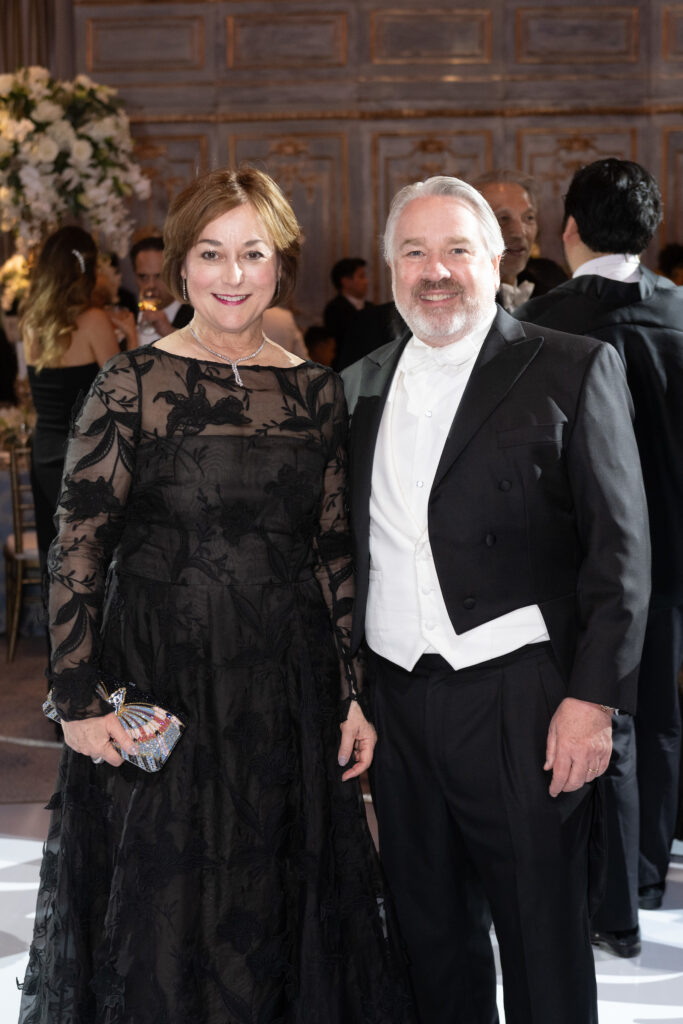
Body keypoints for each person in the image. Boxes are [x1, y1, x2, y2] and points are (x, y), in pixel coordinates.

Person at [18, 166, 415, 1024]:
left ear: (281, 266)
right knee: (164, 892)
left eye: (252, 254)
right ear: (178, 267)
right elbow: (77, 550)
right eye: (211, 253)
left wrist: (352, 694)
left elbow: (333, 550)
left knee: (275, 887)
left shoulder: (314, 391)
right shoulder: (129, 384)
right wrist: (79, 701)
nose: (232, 276)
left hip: (286, 681)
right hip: (159, 675)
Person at [341, 175, 650, 1024]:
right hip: (398, 702)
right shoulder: (356, 384)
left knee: (541, 938)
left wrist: (591, 703)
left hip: (520, 699)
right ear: (390, 265)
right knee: (428, 936)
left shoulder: (571, 365)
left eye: (455, 250)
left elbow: (619, 557)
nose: (433, 271)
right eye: (413, 252)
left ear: (495, 259)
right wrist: (352, 692)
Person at [516, 158, 683, 954]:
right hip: (673, 561)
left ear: (568, 228)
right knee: (657, 719)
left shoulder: (536, 322)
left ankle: (596, 892)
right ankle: (647, 875)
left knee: (584, 718)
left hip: (567, 563)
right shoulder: (680, 315)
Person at [20, 226, 121, 576]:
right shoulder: (94, 321)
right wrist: (131, 337)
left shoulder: (32, 322)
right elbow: (123, 393)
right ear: (88, 269)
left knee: (56, 555)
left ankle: (57, 629)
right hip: (84, 454)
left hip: (45, 452)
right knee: (91, 561)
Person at [474, 169, 567, 311]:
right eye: (503, 218)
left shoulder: (551, 280)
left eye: (528, 218)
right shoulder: (457, 294)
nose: (519, 232)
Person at [128, 235, 193, 345]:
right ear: (135, 276)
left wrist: (169, 332)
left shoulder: (197, 317)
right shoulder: (128, 316)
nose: (151, 285)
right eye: (143, 276)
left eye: (159, 276)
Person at [323, 257, 372, 368]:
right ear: (345, 281)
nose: (366, 281)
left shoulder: (371, 307)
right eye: (361, 276)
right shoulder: (334, 309)